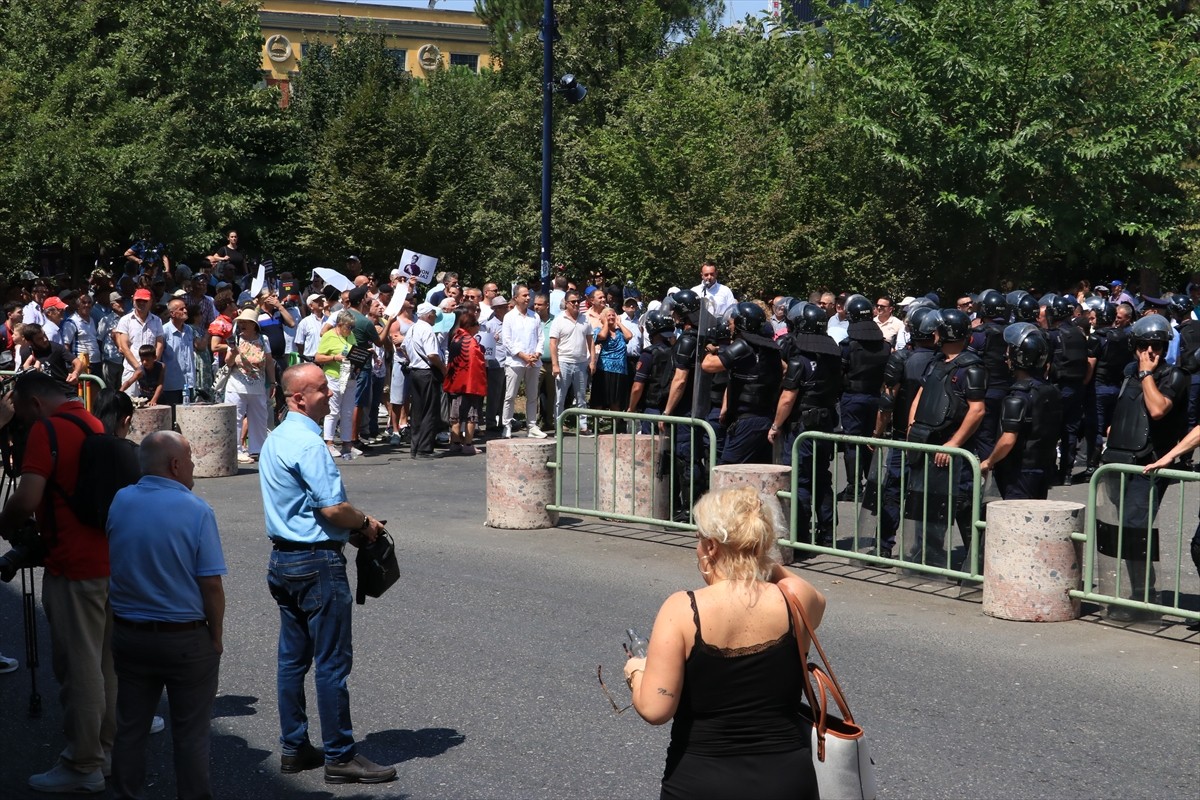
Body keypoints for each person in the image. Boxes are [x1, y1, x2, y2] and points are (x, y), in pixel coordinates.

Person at [622, 486, 825, 800]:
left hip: (701, 781)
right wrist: (760, 559)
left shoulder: (682, 610)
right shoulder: (794, 601)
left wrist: (637, 672)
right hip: (787, 779)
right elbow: (814, 598)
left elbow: (655, 708)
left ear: (711, 546)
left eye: (699, 538)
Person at [259, 364, 397, 784]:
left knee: (292, 660)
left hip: (283, 559)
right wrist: (364, 523)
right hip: (317, 562)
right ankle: (340, 754)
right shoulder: (308, 443)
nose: (330, 394)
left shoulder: (276, 438)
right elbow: (332, 508)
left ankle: (294, 747)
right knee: (332, 664)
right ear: (298, 398)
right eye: (321, 389)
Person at [0, 370, 115, 793]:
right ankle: (105, 751)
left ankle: (82, 764)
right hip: (107, 558)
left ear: (31, 404)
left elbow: (27, 498)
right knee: (106, 665)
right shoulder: (90, 421)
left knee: (79, 668)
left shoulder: (47, 430)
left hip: (71, 563)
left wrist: (7, 523)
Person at [107, 431, 225, 800]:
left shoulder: (120, 501)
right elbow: (211, 586)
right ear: (175, 465)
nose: (192, 465)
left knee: (130, 728)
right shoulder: (196, 510)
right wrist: (216, 637)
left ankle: (128, 794)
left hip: (129, 633)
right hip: (184, 636)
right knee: (191, 734)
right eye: (189, 458)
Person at [1096, 314, 1189, 623]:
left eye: (1158, 345)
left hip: (1147, 466)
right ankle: (1130, 592)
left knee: (1136, 532)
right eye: (1145, 345)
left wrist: (1147, 373)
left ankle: (1144, 598)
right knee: (1120, 533)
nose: (1152, 350)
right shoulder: (1128, 373)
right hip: (1119, 461)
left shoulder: (1172, 376)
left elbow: (1158, 409)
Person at [979, 324, 1062, 500]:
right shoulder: (1051, 391)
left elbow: (1008, 439)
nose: (1006, 357)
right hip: (1043, 466)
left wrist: (990, 461)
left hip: (1018, 471)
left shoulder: (1017, 397)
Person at [225, 308, 275, 463]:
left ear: (254, 325)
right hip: (236, 384)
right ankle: (236, 450)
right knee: (236, 418)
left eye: (246, 322)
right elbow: (228, 362)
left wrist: (273, 382)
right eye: (241, 322)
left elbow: (269, 363)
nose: (243, 325)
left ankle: (258, 449)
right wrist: (233, 351)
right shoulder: (236, 339)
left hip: (258, 385)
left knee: (260, 418)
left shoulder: (263, 340)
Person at [501, 285, 548, 438]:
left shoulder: (535, 316)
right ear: (516, 298)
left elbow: (541, 338)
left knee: (532, 395)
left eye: (529, 295)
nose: (528, 298)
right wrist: (522, 356)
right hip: (515, 362)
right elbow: (507, 341)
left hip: (534, 362)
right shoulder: (509, 317)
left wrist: (537, 354)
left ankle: (532, 426)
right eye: (525, 295)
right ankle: (506, 425)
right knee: (510, 395)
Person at [442, 301, 487, 455]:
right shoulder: (471, 342)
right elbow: (476, 364)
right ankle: (468, 444)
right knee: (471, 414)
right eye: (476, 325)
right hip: (469, 384)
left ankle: (455, 443)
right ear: (470, 327)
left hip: (455, 382)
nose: (478, 327)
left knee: (455, 413)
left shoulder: (455, 338)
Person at [316, 311, 359, 460]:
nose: (351, 330)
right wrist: (334, 357)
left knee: (347, 411)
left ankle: (347, 443)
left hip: (349, 376)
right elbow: (318, 357)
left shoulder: (350, 335)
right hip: (334, 376)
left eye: (353, 327)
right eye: (349, 327)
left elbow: (354, 350)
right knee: (333, 411)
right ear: (340, 325)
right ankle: (329, 442)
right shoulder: (329, 336)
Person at [405, 302, 444, 459]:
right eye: (434, 314)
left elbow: (403, 347)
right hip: (427, 372)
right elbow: (432, 355)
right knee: (429, 411)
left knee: (417, 410)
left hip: (415, 371)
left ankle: (415, 446)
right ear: (429, 315)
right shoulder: (427, 329)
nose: (435, 317)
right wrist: (443, 368)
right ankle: (425, 448)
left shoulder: (413, 328)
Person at [114, 287, 165, 392]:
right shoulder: (125, 320)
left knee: (150, 404)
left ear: (150, 302)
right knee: (129, 403)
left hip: (151, 370)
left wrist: (154, 363)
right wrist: (138, 367)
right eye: (138, 300)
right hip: (131, 369)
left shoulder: (157, 320)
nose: (141, 303)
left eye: (145, 301)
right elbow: (124, 346)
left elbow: (159, 343)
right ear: (133, 301)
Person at [590, 307, 634, 414]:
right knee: (599, 400)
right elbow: (602, 336)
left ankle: (615, 426)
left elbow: (629, 336)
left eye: (613, 315)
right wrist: (605, 323)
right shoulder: (598, 330)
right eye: (608, 315)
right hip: (604, 369)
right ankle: (596, 427)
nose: (611, 317)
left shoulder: (620, 332)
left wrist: (619, 324)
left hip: (620, 371)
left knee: (616, 401)